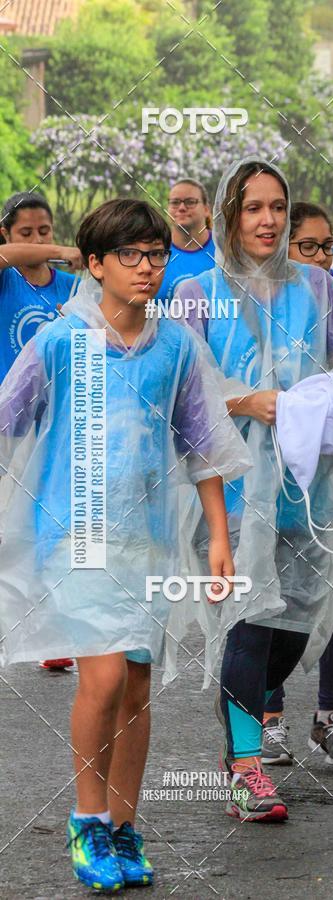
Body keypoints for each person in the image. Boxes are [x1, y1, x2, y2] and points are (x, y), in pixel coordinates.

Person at [0, 198, 250, 891]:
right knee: (103, 677)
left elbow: (202, 446)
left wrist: (220, 538)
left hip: (148, 544)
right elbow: (6, 419)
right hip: (72, 534)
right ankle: (86, 824)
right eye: (132, 255)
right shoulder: (59, 341)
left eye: (158, 254)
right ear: (97, 264)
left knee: (137, 686)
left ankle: (123, 824)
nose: (148, 268)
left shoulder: (175, 346)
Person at [176, 158, 333, 823]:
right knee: (250, 625)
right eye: (253, 207)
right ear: (230, 215)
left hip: (308, 495)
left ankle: (243, 719)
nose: (267, 220)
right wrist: (245, 399)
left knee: (292, 633)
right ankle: (246, 766)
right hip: (230, 496)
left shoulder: (319, 289)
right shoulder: (198, 294)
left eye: (277, 207)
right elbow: (184, 389)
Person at [262, 200, 333, 767]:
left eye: (330, 246)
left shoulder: (332, 296)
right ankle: (268, 716)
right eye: (309, 247)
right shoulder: (242, 301)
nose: (322, 258)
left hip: (324, 473)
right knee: (270, 596)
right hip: (262, 476)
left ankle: (329, 715)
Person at [0, 191, 83, 671]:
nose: (37, 240)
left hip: (57, 423)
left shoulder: (72, 287)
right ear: (8, 236)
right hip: (7, 424)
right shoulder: (6, 278)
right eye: (25, 233)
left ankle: (52, 633)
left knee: (54, 527)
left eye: (45, 231)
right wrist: (55, 251)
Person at [159, 178, 215, 301]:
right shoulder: (155, 250)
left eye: (190, 202)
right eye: (175, 202)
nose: (182, 208)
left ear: (206, 209)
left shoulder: (225, 247)